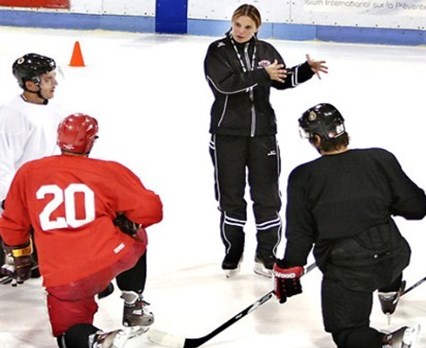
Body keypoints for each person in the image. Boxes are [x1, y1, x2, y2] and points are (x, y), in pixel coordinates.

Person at [0, 114, 163, 348]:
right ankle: (134, 303)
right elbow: (151, 211)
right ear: (91, 141)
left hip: (63, 278)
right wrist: (124, 218)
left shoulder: (29, 172)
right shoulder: (108, 171)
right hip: (109, 256)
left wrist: (20, 257)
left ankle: (96, 340)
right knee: (136, 234)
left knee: (67, 334)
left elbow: (12, 224)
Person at [272, 103, 426, 348]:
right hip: (394, 256)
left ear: (315, 139)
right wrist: (377, 203)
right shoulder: (380, 158)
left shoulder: (304, 176)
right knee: (383, 249)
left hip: (350, 269)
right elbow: (416, 208)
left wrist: (290, 267)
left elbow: (301, 232)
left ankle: (389, 343)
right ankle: (389, 289)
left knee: (347, 331)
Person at [203, 3, 328, 278]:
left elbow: (281, 79)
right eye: (238, 24)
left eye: (248, 27)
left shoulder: (265, 51)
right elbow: (225, 84)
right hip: (227, 135)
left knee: (267, 195)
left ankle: (267, 252)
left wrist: (306, 70)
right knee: (230, 195)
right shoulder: (217, 50)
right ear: (232, 23)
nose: (241, 31)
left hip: (263, 135)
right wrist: (262, 74)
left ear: (257, 28)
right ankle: (234, 249)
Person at [0, 53, 63, 284]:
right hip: (18, 197)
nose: (54, 83)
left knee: (39, 265)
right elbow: (2, 164)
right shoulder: (11, 116)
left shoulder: (54, 111)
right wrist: (10, 204)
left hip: (40, 195)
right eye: (48, 79)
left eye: (54, 77)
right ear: (30, 84)